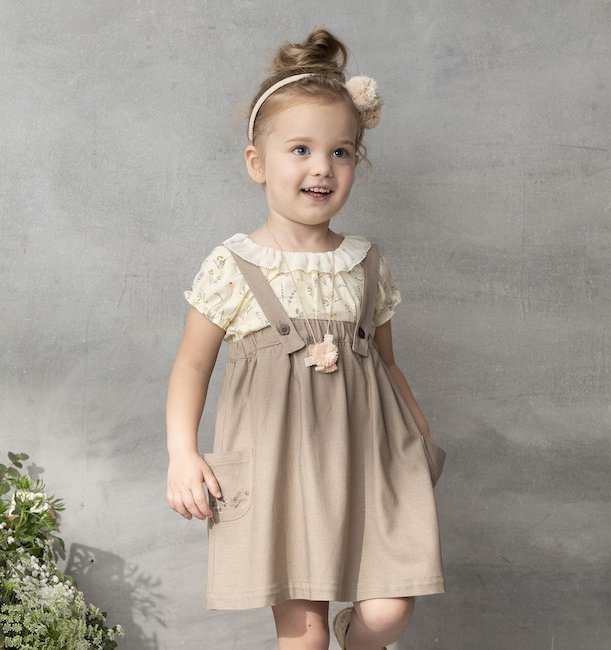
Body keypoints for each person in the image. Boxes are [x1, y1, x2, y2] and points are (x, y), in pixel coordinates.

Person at [166, 28, 446, 650]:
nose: (322, 167)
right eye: (301, 149)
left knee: (387, 613)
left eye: (341, 152)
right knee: (305, 635)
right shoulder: (233, 265)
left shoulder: (365, 263)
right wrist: (182, 453)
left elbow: (386, 364)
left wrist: (419, 434)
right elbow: (191, 367)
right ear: (257, 163)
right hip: (280, 474)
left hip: (369, 462)